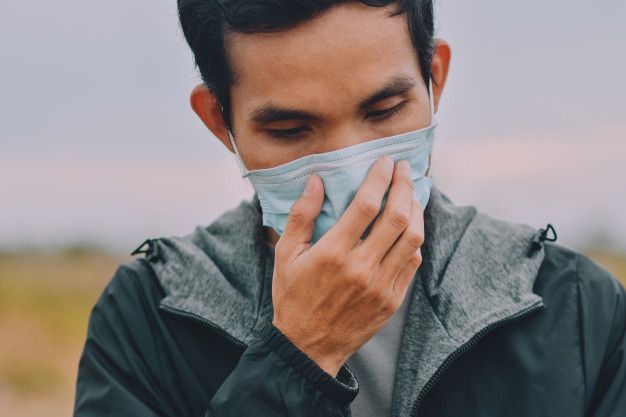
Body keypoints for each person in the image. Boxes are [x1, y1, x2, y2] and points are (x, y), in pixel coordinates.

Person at [73, 1, 626, 416]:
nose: (350, 169)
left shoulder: (578, 308)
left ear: (434, 80)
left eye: (384, 111)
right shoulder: (147, 318)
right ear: (220, 122)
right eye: (291, 130)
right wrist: (299, 355)